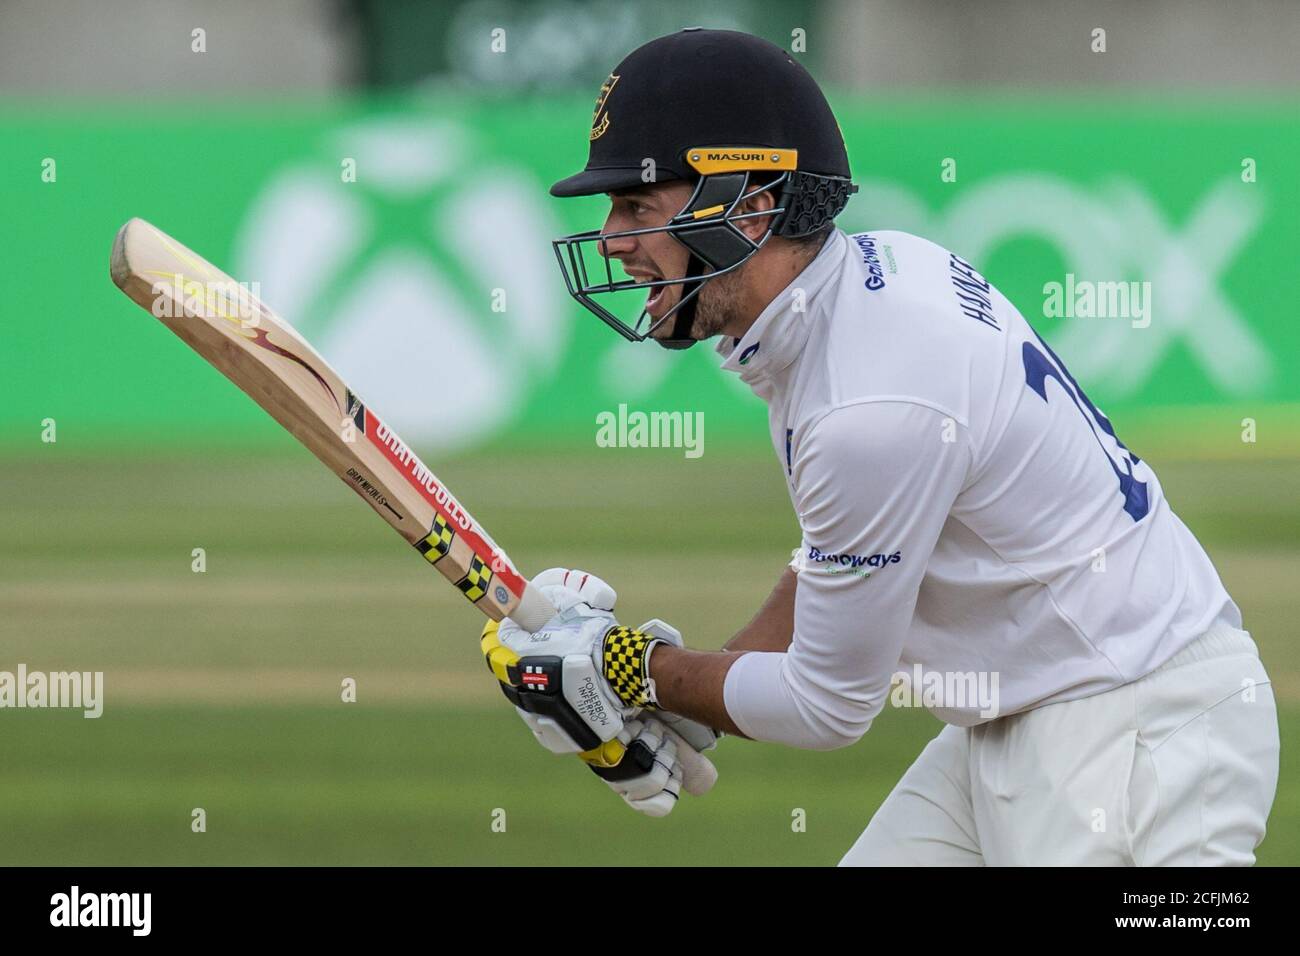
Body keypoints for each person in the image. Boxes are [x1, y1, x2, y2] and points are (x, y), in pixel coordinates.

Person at [479, 28, 1280, 865]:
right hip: (1030, 717)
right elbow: (845, 556)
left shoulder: (868, 403)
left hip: (1137, 737)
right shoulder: (877, 283)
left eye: (637, 207)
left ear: (749, 208)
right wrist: (690, 694)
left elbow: (829, 706)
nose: (611, 239)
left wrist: (637, 670)